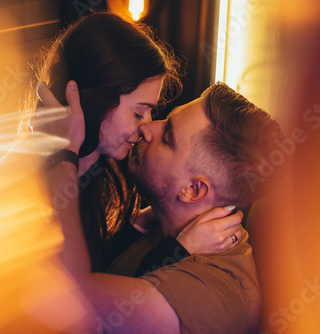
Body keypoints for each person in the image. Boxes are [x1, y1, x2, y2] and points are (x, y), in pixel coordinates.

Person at [40, 81, 284, 333]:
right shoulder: (170, 224)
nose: (147, 128)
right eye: (165, 119)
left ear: (193, 190)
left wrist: (64, 153)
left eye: (168, 137)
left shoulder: (207, 296)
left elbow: (66, 295)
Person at [25, 11, 243, 272]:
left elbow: (106, 264)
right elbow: (81, 298)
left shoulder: (103, 178)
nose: (146, 127)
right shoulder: (28, 187)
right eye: (139, 113)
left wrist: (169, 217)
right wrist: (179, 250)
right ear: (96, 100)